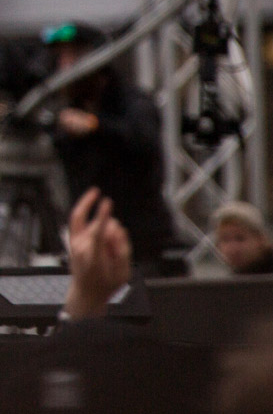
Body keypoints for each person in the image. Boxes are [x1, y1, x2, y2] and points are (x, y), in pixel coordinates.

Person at [39, 22, 178, 271]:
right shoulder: (65, 110)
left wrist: (95, 126)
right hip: (94, 242)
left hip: (143, 244)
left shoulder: (132, 101)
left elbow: (142, 138)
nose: (66, 65)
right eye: (60, 56)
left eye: (74, 55)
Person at [213, 202, 273, 275]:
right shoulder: (238, 276)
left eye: (240, 239)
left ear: (260, 239)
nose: (232, 248)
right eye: (225, 240)